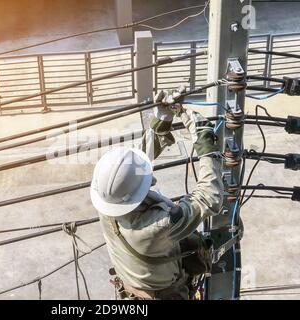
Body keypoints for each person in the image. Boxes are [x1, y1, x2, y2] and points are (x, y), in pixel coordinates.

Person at [90, 91, 224, 300]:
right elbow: (209, 197)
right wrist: (207, 147)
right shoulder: (156, 227)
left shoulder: (107, 199)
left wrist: (162, 120)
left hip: (133, 289)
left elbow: (130, 172)